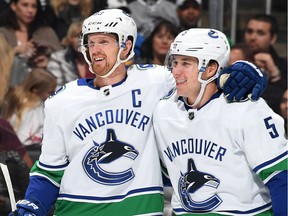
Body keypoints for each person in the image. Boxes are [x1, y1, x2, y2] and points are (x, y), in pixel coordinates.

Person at [10, 9, 268, 216]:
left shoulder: (157, 81)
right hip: (77, 210)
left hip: (140, 211)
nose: (95, 49)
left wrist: (239, 72)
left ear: (126, 46)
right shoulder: (62, 100)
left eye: (104, 42)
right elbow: (50, 171)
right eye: (90, 42)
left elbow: (201, 75)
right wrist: (33, 205)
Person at [153, 28, 287, 215]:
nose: (176, 71)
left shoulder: (246, 109)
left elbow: (280, 177)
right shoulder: (163, 111)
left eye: (186, 63)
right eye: (174, 62)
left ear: (211, 69)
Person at [2, 68, 57, 152]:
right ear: (36, 90)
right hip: (29, 151)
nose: (53, 95)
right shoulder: (32, 107)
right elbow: (23, 137)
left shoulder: (25, 101)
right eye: (50, 92)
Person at [244, 14, 287, 115]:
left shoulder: (283, 66)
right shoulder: (234, 58)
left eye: (260, 33)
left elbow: (281, 102)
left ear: (273, 38)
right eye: (249, 31)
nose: (252, 37)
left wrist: (275, 74)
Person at [47, 20, 95, 90]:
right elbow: (56, 88)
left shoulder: (98, 58)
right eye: (76, 36)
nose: (80, 40)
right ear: (69, 39)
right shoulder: (57, 58)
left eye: (84, 36)